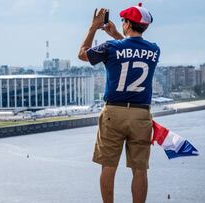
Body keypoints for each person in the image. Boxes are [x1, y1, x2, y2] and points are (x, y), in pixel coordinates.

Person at [78, 3, 160, 203]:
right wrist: (116, 34)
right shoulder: (154, 50)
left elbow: (82, 54)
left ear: (128, 23)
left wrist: (93, 27)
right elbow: (133, 51)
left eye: (124, 21)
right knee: (140, 169)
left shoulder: (111, 47)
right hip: (141, 115)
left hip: (114, 112)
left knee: (108, 165)